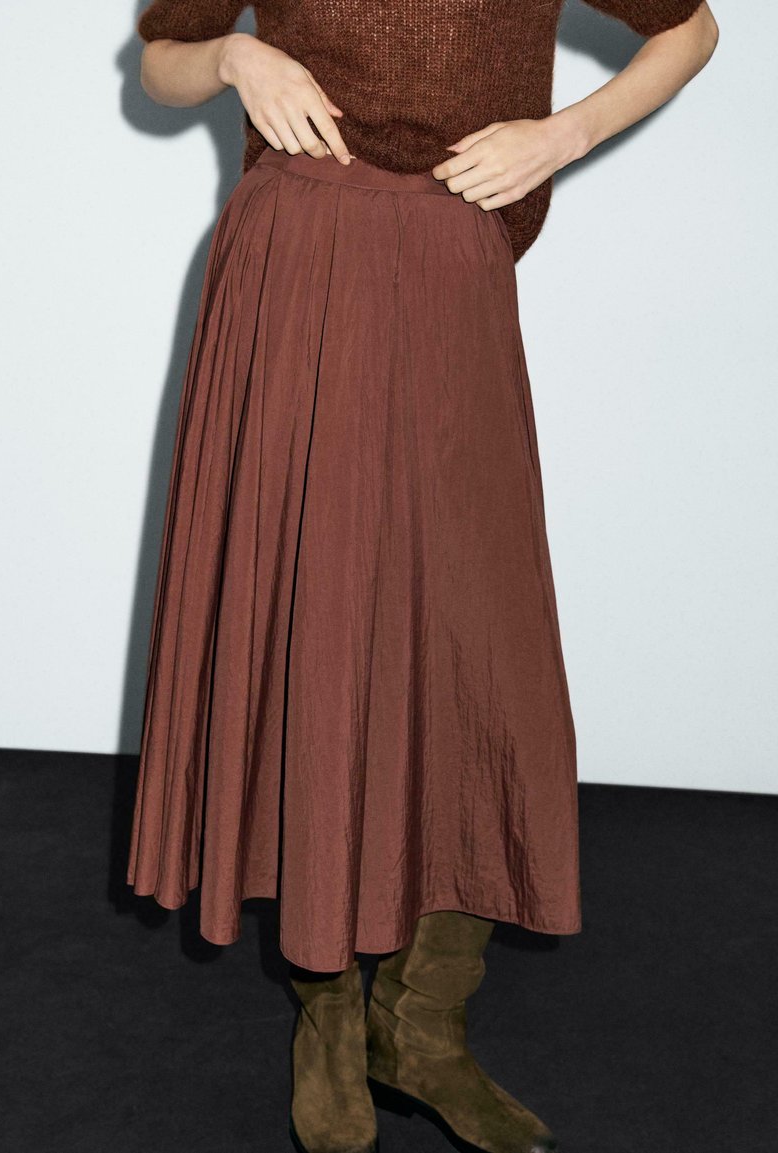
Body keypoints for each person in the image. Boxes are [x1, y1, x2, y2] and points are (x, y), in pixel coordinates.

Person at [126, 3, 718, 1151]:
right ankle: (328, 1013)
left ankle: (423, 1024)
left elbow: (688, 29)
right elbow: (161, 67)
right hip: (294, 261)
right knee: (318, 635)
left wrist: (563, 134)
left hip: (451, 262)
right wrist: (234, 57)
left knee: (477, 653)